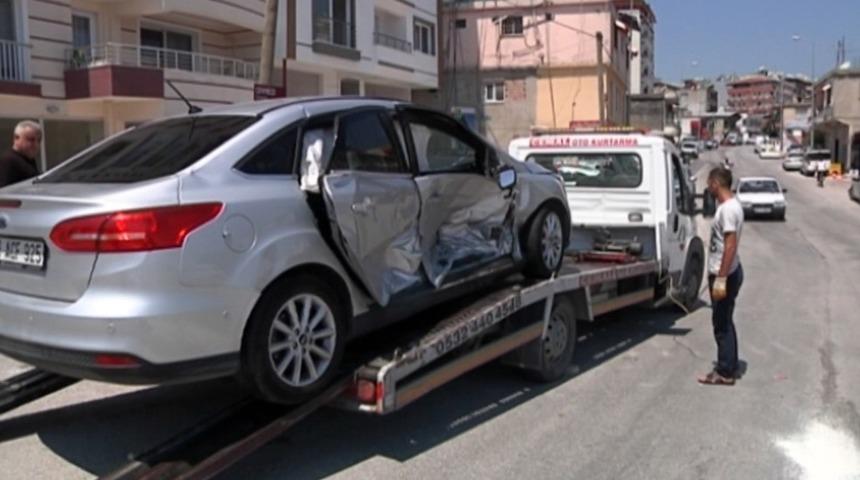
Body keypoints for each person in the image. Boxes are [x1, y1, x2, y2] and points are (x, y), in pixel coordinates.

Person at [698, 167, 744, 386]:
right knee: (725, 320)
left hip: (724, 273)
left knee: (721, 324)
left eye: (709, 183)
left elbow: (730, 245)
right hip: (728, 271)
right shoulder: (731, 206)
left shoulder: (727, 210)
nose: (708, 188)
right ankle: (729, 364)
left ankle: (725, 372)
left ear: (716, 183)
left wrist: (721, 279)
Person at [0, 120, 41, 188]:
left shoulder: (29, 160)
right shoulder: (8, 161)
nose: (36, 145)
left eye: (39, 140)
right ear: (16, 138)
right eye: (31, 140)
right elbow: (3, 191)